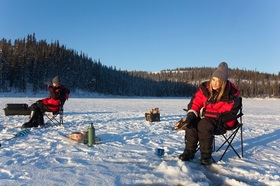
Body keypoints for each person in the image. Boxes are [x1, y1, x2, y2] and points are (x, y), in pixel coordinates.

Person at [179, 62, 241, 165]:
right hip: (206, 120)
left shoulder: (231, 94)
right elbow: (196, 102)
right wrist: (191, 114)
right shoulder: (205, 89)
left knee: (204, 124)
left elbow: (227, 114)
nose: (215, 83)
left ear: (224, 82)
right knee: (192, 123)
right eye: (213, 79)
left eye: (219, 80)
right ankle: (189, 152)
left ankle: (206, 156)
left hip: (223, 123)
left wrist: (205, 112)